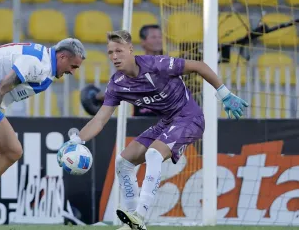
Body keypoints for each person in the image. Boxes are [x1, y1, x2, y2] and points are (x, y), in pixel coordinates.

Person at [58, 30, 248, 230]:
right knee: (124, 161)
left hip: (190, 118)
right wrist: (76, 141)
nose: (114, 56)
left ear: (130, 50)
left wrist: (224, 94)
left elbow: (199, 66)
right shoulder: (117, 84)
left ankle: (140, 215)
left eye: (119, 51)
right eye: (110, 52)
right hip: (166, 122)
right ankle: (134, 223)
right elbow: (100, 120)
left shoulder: (157, 65)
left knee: (154, 154)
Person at [0, 39, 86, 229]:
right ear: (62, 56)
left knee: (13, 150)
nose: (72, 72)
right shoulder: (36, 64)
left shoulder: (46, 66)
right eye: (73, 66)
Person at [93, 24, 163, 117]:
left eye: (160, 37)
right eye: (154, 37)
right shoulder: (134, 65)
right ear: (143, 42)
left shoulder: (170, 64)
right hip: (142, 120)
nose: (158, 40)